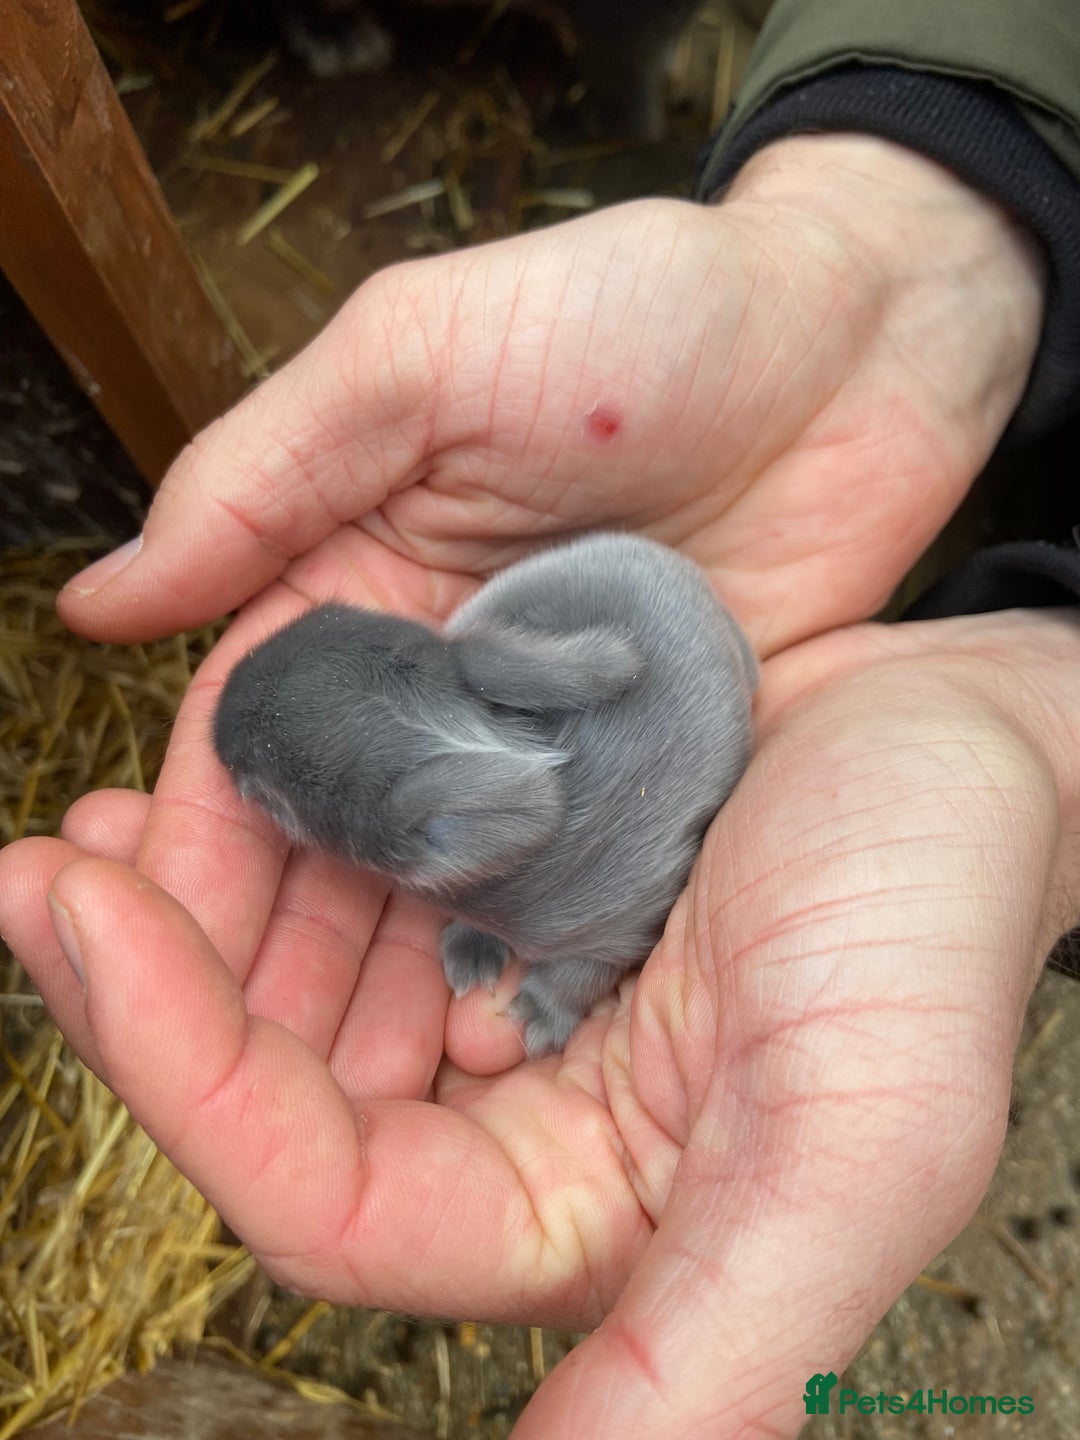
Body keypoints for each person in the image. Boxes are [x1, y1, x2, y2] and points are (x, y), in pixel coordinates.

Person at [3, 2, 1079, 1435]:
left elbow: (544, 842)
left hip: (610, 692)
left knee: (572, 903)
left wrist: (1045, 745)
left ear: (418, 842)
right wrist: (899, 223)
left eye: (278, 801)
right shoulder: (491, 702)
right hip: (613, 647)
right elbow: (553, 694)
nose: (245, 788)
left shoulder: (514, 851)